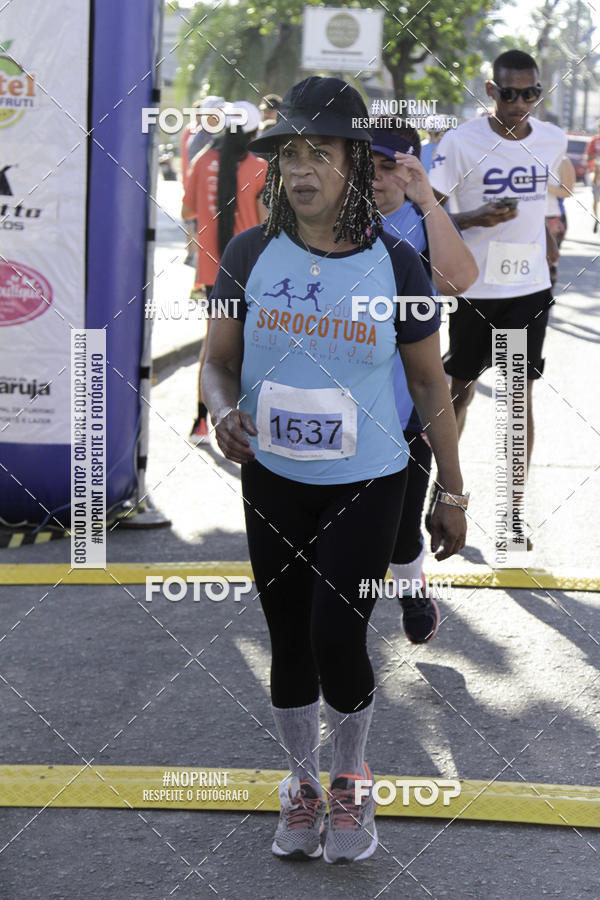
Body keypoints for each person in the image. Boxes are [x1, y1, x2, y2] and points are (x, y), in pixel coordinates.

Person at [201, 76, 468, 863]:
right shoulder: (249, 252)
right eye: (289, 155)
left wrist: (451, 490)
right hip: (274, 478)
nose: (301, 171)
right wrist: (222, 411)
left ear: (357, 162)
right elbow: (218, 362)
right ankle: (301, 783)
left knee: (334, 631)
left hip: (369, 479)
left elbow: (430, 383)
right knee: (287, 634)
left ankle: (350, 782)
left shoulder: (396, 264)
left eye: (320, 153)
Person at [429, 49, 566, 546]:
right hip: (475, 290)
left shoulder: (551, 140)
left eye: (531, 93)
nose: (520, 103)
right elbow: (432, 213)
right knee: (458, 390)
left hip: (528, 289)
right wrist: (474, 219)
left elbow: (550, 199)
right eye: (509, 93)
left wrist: (548, 242)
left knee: (516, 400)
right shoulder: (461, 142)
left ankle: (511, 515)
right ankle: (445, 492)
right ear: (491, 91)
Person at [371, 125, 477, 642]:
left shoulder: (423, 222)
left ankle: (413, 590)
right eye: (365, 166)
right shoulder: (335, 224)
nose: (376, 179)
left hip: (406, 408)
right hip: (344, 405)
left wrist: (427, 199)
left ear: (413, 171)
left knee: (398, 528)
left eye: (390, 167)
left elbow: (458, 279)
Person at [182, 101, 267, 444]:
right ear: (253, 132)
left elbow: (187, 208)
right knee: (250, 347)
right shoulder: (262, 167)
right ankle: (248, 419)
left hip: (209, 273)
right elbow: (266, 223)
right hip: (250, 272)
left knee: (212, 349)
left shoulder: (202, 160)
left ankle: (202, 421)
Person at [180, 97, 226, 267]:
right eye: (218, 112)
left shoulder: (215, 134)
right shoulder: (201, 137)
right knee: (204, 238)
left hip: (213, 196)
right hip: (205, 197)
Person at [545, 156, 575, 286]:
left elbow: (567, 192)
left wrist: (543, 186)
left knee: (548, 265)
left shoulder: (562, 160)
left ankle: (545, 303)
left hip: (553, 219)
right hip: (527, 218)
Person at [587, 124, 600, 233]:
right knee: (595, 200)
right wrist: (597, 154)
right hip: (596, 175)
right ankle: (596, 219)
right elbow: (588, 157)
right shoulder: (594, 141)